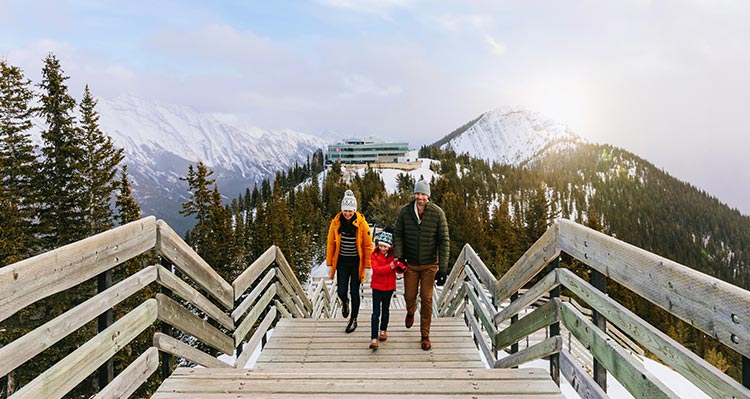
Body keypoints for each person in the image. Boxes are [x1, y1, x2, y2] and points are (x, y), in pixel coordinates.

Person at [394, 179, 449, 350]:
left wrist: (443, 269)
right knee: (409, 296)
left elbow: (444, 241)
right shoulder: (405, 212)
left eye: (423, 194)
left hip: (429, 265)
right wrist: (399, 257)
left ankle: (425, 335)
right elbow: (398, 234)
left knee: (427, 298)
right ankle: (410, 311)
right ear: (414, 194)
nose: (420, 197)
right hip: (410, 263)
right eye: (418, 193)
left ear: (428, 196)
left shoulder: (437, 214)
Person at [326, 189, 373, 333]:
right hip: (342, 262)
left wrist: (368, 266)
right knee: (341, 291)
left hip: (356, 263)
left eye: (350, 211)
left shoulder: (362, 224)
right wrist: (329, 263)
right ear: (342, 210)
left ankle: (354, 319)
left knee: (354, 291)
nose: (347, 214)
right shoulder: (336, 223)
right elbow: (331, 243)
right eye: (345, 210)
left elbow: (368, 246)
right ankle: (344, 302)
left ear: (354, 210)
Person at [369, 228, 402, 350]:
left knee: (386, 311)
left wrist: (401, 266)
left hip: (389, 287)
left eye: (385, 247)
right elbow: (377, 270)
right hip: (377, 287)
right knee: (375, 313)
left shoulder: (394, 255)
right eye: (381, 246)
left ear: (389, 247)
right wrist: (392, 265)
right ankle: (374, 338)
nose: (383, 249)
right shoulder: (374, 255)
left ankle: (383, 330)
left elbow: (398, 269)